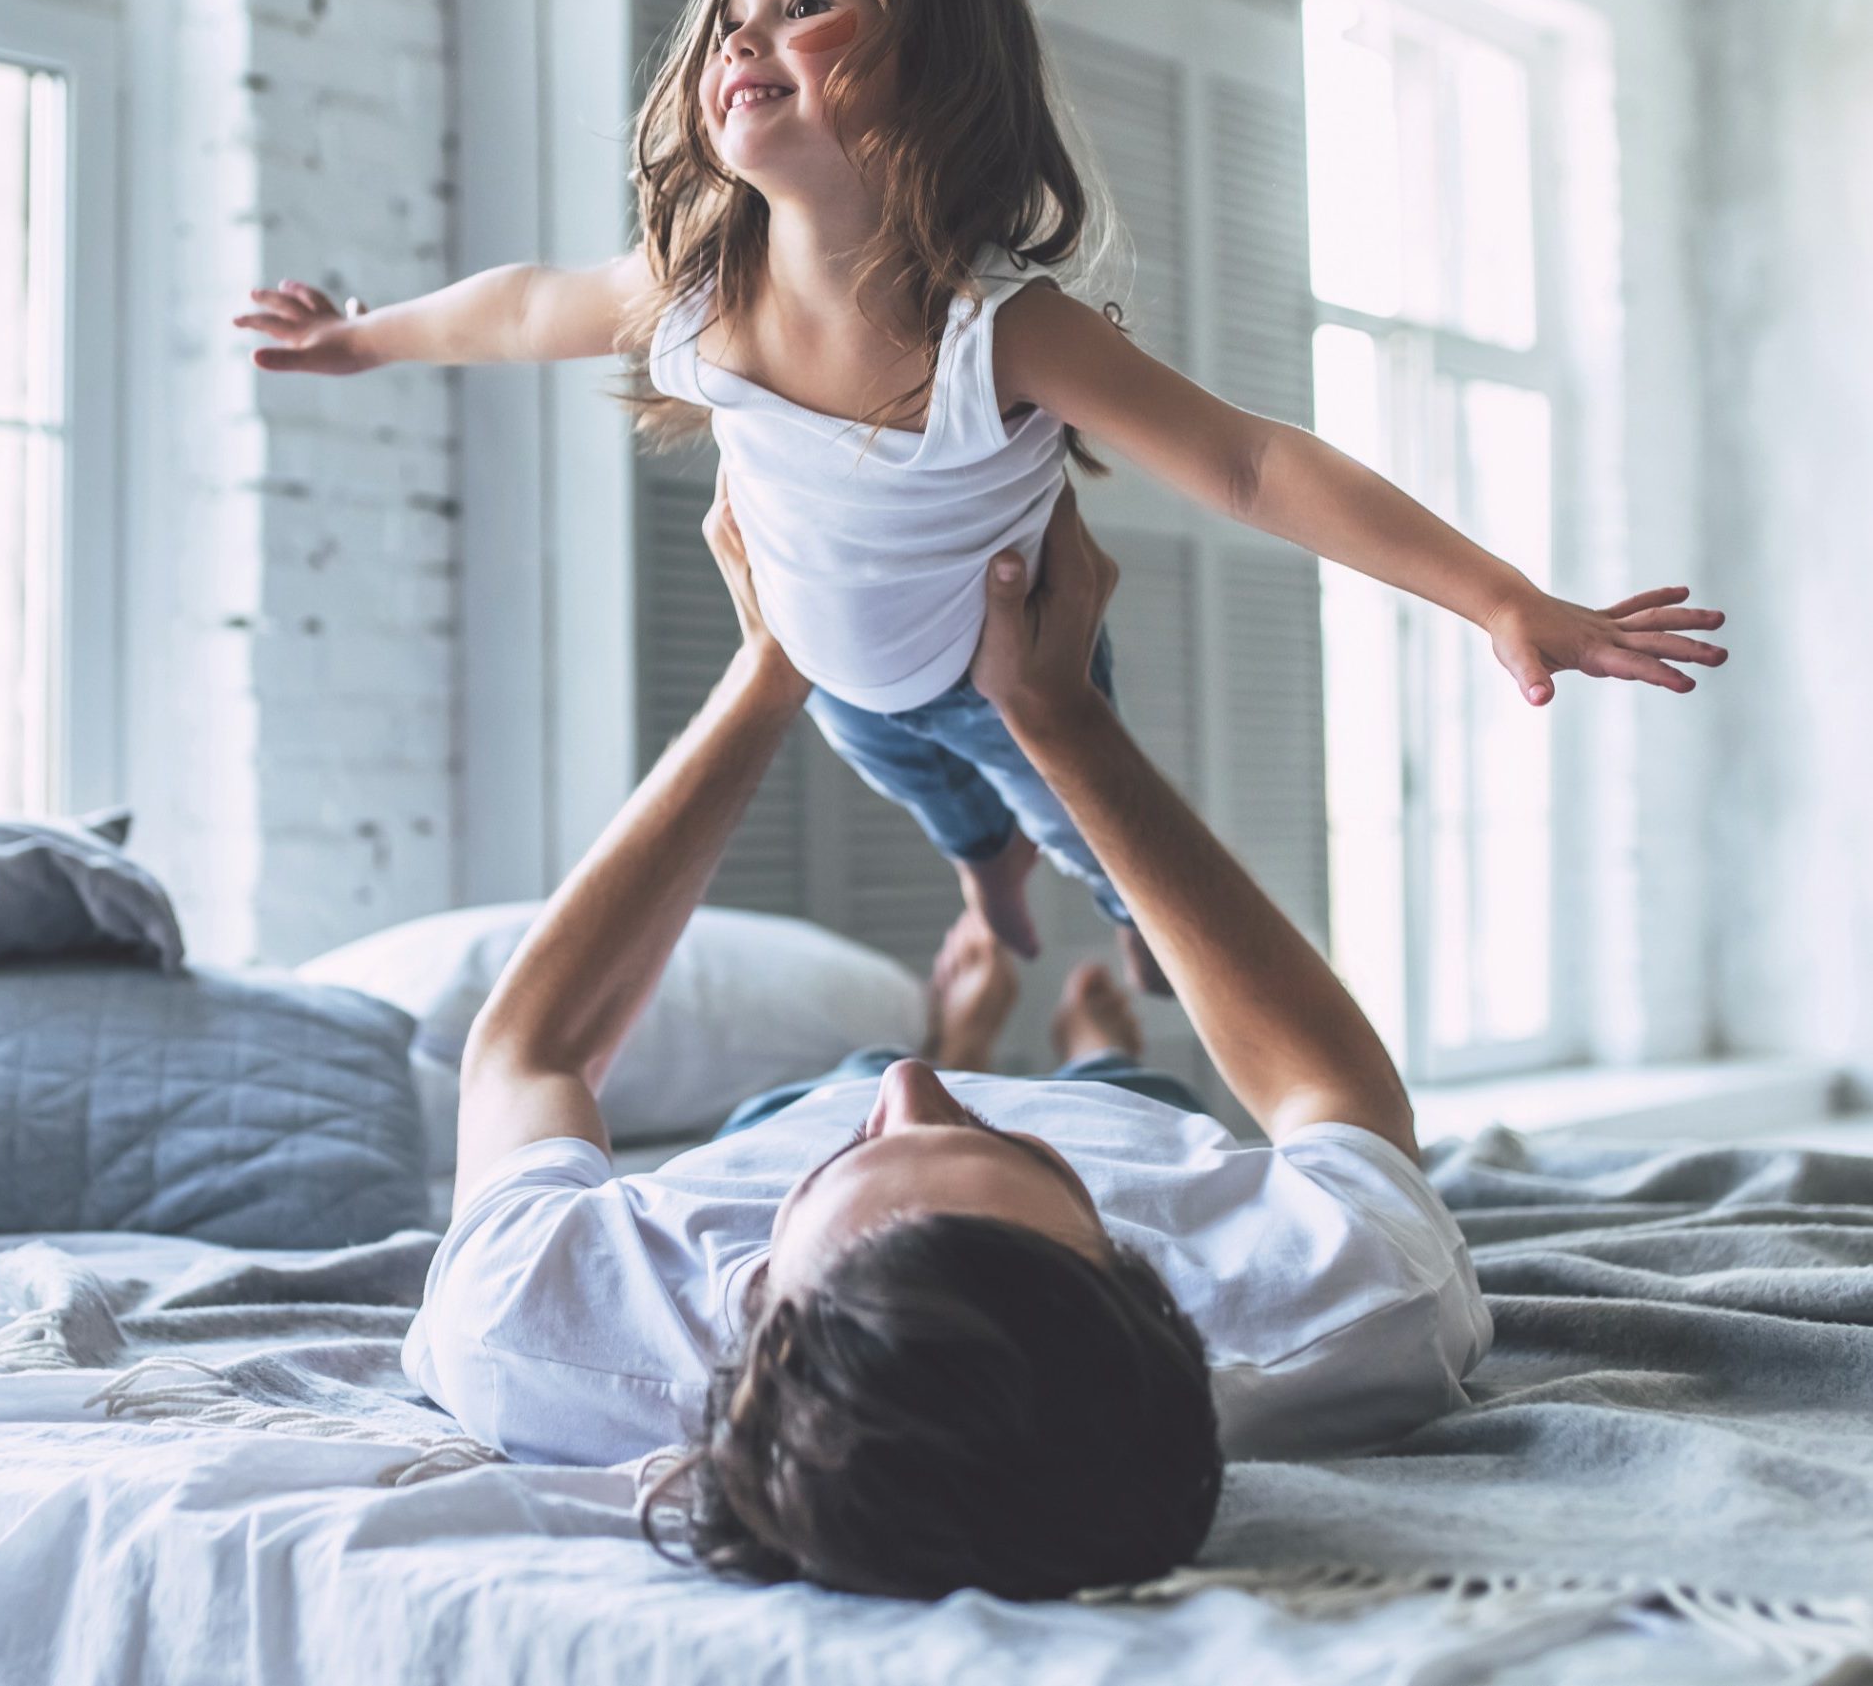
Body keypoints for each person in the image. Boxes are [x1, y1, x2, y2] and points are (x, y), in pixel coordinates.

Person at [236, 0, 1724, 983]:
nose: (743, 39)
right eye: (732, 17)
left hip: (1007, 663)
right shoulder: (697, 291)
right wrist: (362, 340)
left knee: (1091, 836)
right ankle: (982, 884)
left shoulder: (1002, 330)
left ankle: (1116, 922)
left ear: (931, 71)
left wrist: (1500, 598)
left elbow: (1255, 462)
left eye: (805, 5)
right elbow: (519, 307)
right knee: (925, 791)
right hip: (835, 679)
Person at [398, 482, 1494, 1602]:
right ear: (1143, 1266)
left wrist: (768, 673)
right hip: (1136, 1131)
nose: (914, 1089)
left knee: (853, 1077)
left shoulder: (538, 1330)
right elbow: (1324, 1086)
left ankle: (948, 1048)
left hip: (785, 1124)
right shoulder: (1350, 1310)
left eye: (862, 1160)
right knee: (1128, 1077)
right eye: (1006, 1154)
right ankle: (1082, 1056)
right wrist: (1059, 716)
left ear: (756, 1298)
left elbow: (530, 1054)